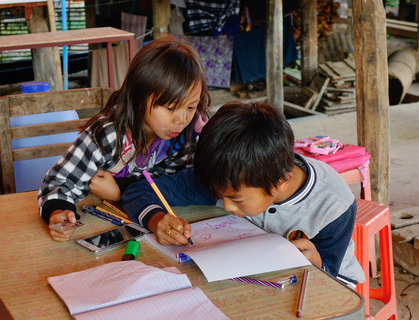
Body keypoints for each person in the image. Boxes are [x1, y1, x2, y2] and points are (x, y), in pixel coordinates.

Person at [120, 101, 365, 287]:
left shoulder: (333, 204)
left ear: (281, 182)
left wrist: (316, 262)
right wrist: (155, 219)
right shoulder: (227, 176)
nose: (226, 206)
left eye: (236, 200)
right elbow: (139, 190)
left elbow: (337, 280)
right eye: (220, 195)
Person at [38, 36, 210, 242]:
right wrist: (57, 212)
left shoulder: (187, 133)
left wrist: (119, 191)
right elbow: (59, 182)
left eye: (191, 107)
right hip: (101, 220)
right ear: (139, 97)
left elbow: (174, 183)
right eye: (171, 108)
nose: (181, 119)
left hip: (148, 217)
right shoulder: (107, 135)